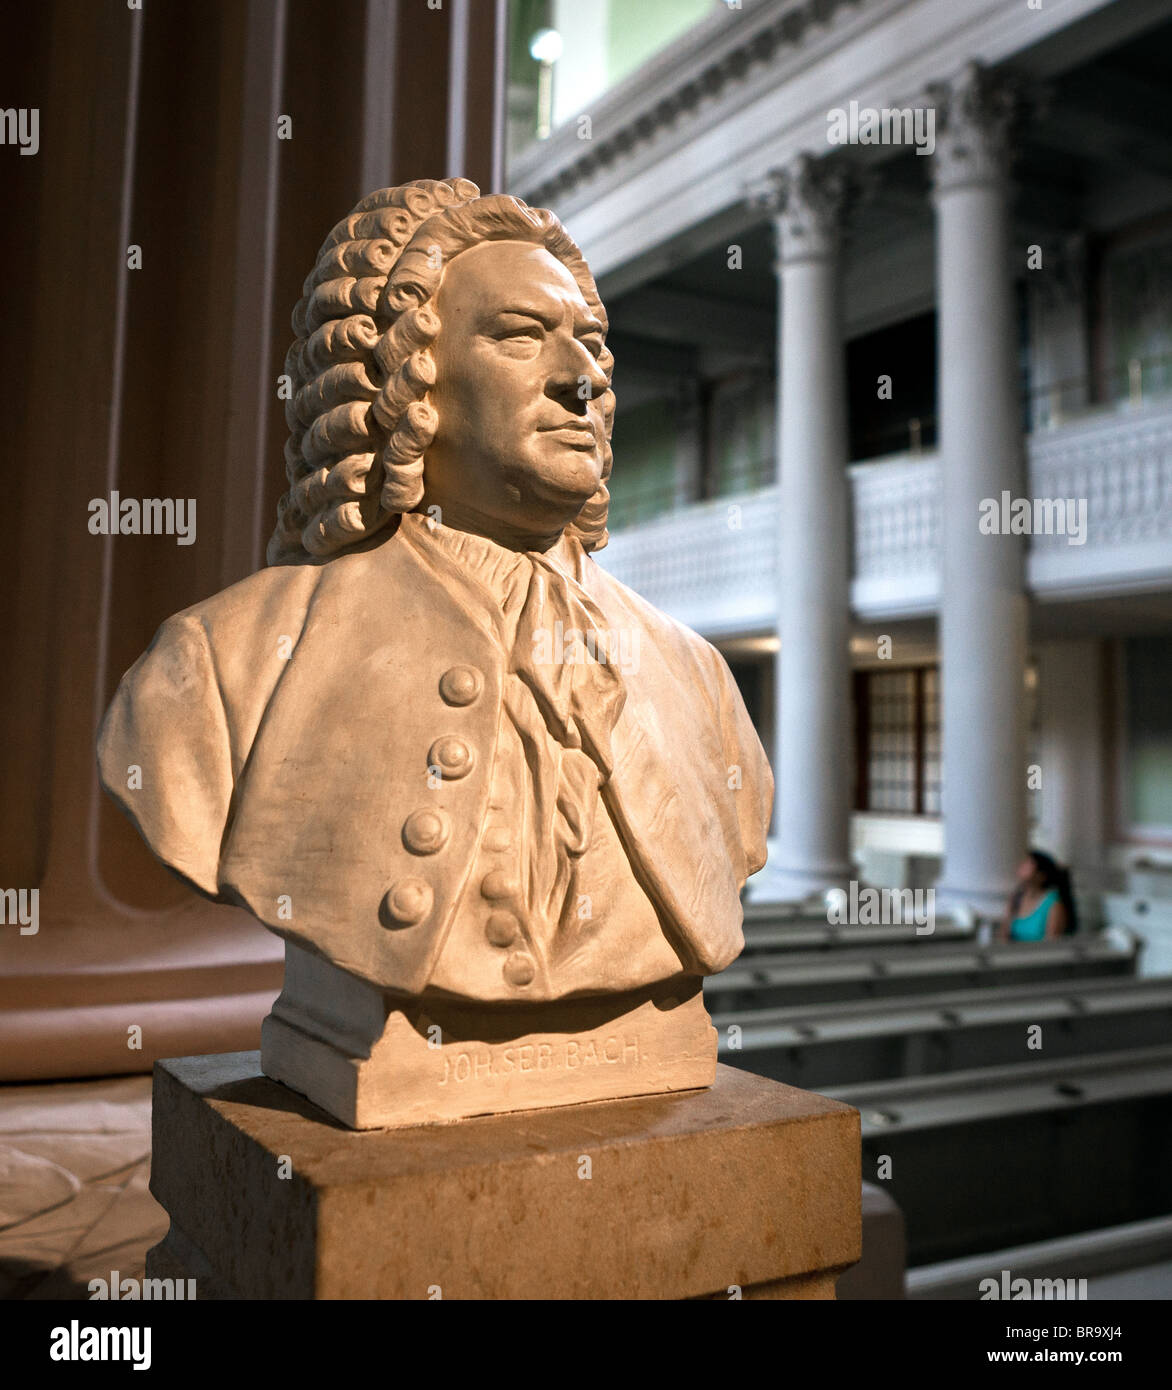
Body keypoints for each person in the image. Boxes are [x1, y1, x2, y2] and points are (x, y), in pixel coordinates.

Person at [97, 178, 773, 1007]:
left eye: (590, 345)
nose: (581, 381)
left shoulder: (699, 677)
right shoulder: (221, 668)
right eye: (522, 336)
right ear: (410, 378)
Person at [1001, 850, 1077, 942]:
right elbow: (1004, 936)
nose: (1022, 866)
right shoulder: (1016, 898)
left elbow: (1052, 943)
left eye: (1028, 864)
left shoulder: (1054, 904)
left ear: (1041, 875)